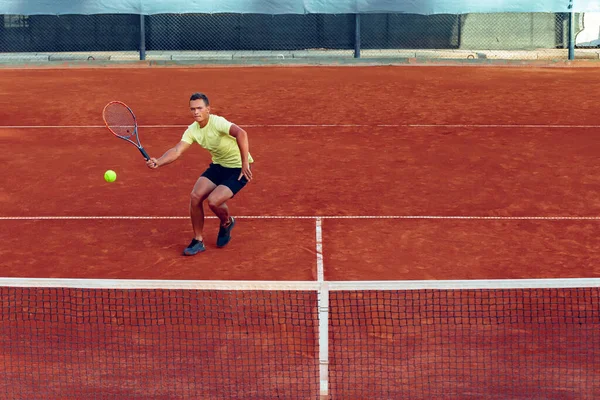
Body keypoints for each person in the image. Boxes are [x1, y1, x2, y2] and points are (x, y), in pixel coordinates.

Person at [146, 92, 253, 256]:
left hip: (238, 168)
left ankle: (226, 222)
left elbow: (241, 133)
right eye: (192, 109)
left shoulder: (217, 122)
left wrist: (245, 161)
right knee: (195, 196)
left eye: (199, 108)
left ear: (208, 109)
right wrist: (158, 161)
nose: (196, 112)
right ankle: (198, 241)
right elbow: (177, 150)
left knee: (213, 201)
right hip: (219, 166)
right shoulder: (193, 130)